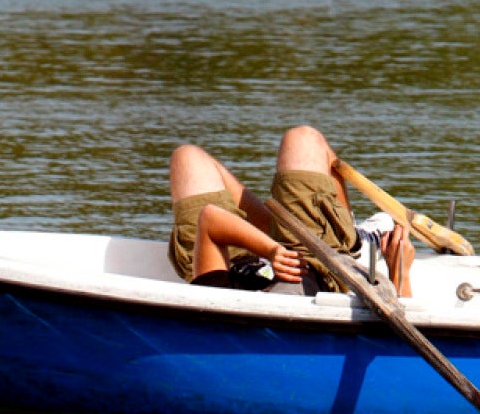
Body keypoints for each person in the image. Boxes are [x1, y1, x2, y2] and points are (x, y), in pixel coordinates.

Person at [167, 125, 414, 297]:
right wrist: (398, 271)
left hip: (234, 257)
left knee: (187, 157)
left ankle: (281, 228)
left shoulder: (219, 296)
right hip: (311, 260)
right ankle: (351, 243)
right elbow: (403, 333)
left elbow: (210, 218)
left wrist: (271, 249)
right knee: (303, 139)